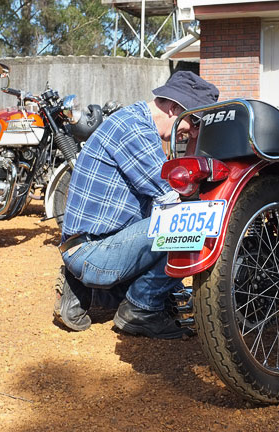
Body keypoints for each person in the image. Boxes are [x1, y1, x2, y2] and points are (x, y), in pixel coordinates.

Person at [54, 71, 219, 339]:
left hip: (91, 243)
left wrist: (192, 137)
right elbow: (175, 198)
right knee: (194, 225)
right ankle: (141, 310)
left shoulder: (135, 122)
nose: (192, 129)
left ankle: (83, 288)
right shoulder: (135, 131)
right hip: (94, 252)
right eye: (194, 120)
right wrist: (196, 144)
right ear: (175, 108)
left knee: (181, 226)